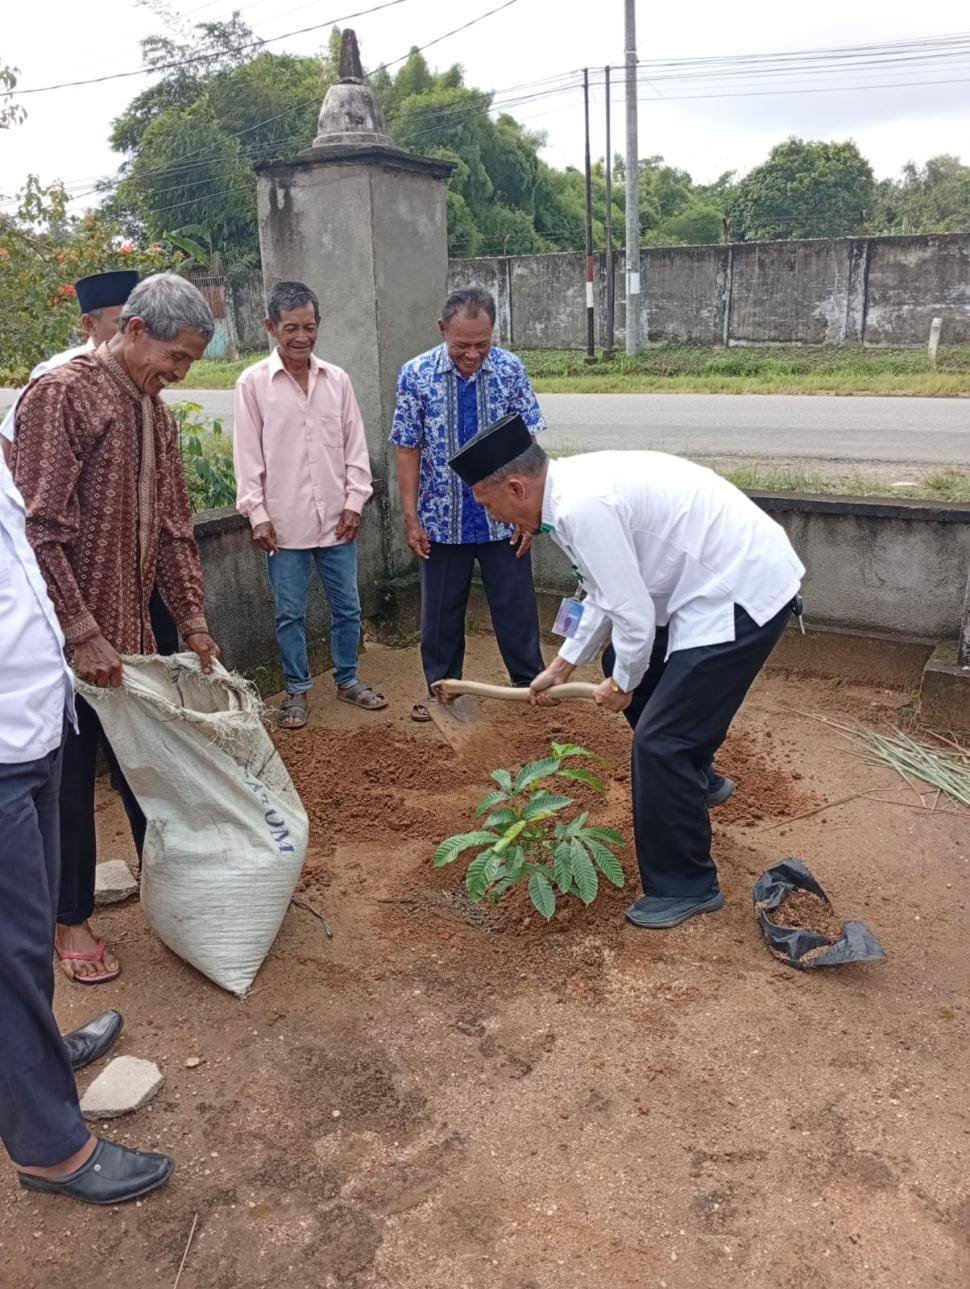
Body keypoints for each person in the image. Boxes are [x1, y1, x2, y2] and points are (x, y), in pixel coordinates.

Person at [448, 418, 806, 930]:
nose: (493, 515)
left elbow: (633, 614)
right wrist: (564, 664)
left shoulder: (581, 507)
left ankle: (686, 885)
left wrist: (623, 688)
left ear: (515, 487)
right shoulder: (568, 494)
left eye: (488, 504)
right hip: (705, 585)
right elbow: (604, 593)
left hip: (739, 592)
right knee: (622, 660)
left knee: (660, 742)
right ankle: (695, 780)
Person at [12, 273, 222, 983]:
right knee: (70, 786)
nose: (180, 373)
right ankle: (70, 919)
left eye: (190, 361)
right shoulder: (64, 394)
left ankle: (171, 897)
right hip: (64, 645)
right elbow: (41, 527)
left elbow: (173, 527)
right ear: (133, 329)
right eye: (177, 356)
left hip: (133, 636)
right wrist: (81, 631)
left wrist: (191, 620)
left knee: (148, 771)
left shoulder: (154, 413)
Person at [0, 451, 174, 1205]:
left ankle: (37, 1055)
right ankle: (50, 1149)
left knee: (30, 934)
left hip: (33, 728)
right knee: (6, 951)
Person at [1, 269, 179, 654]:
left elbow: (171, 510)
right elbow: (17, 456)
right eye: (120, 323)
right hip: (77, 576)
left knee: (158, 649)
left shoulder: (149, 393)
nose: (180, 373)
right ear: (90, 323)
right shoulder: (59, 382)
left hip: (134, 562)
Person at [233, 280, 385, 729]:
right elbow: (248, 457)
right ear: (271, 327)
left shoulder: (336, 381)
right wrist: (257, 515)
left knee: (348, 607)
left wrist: (355, 503)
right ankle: (297, 691)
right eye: (292, 328)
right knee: (289, 614)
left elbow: (354, 448)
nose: (302, 337)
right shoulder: (253, 385)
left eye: (310, 327)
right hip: (284, 526)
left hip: (339, 524)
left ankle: (348, 679)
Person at [390, 286, 546, 723]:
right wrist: (411, 514)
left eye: (482, 344)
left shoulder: (511, 370)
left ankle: (530, 686)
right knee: (439, 615)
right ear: (443, 331)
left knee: (516, 607)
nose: (473, 354)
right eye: (462, 345)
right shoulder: (415, 374)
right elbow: (408, 447)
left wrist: (530, 513)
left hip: (505, 519)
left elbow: (530, 444)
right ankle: (442, 692)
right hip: (442, 519)